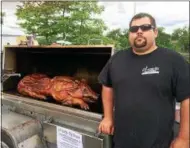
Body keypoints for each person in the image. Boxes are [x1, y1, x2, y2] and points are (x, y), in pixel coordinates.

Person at [98, 12, 189, 148]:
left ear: (155, 32)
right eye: (134, 29)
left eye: (145, 27)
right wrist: (108, 117)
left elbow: (187, 99)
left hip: (158, 143)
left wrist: (184, 138)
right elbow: (107, 85)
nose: (139, 31)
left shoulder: (173, 60)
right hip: (122, 141)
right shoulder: (117, 59)